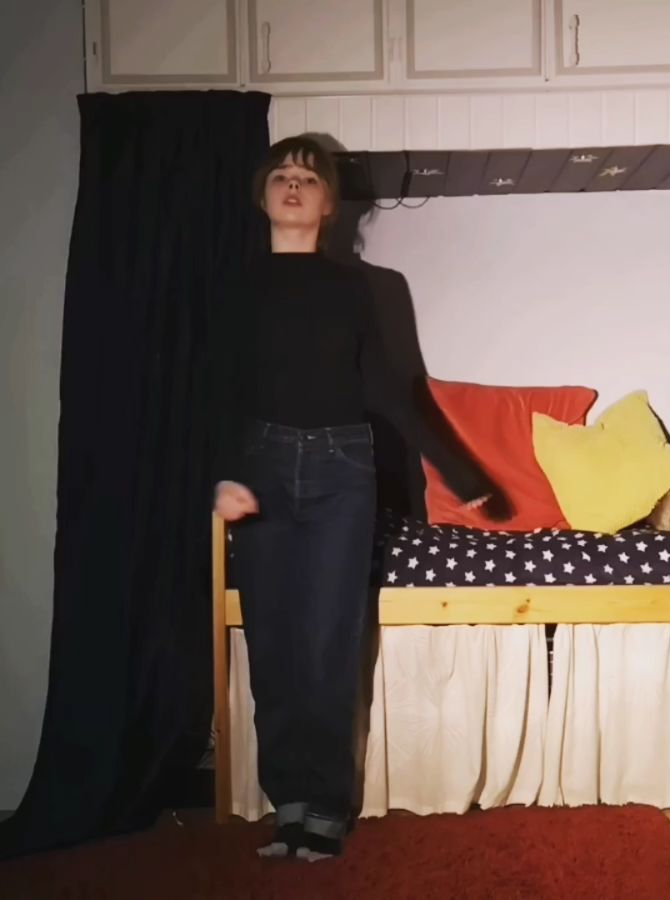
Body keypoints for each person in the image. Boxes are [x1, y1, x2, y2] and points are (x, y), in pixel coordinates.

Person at [212, 135, 511, 862]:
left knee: (328, 646)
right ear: (262, 195)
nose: (293, 185)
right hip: (263, 471)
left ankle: (327, 809)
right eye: (281, 175)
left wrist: (462, 474)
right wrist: (223, 473)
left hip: (343, 470)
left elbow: (387, 389)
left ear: (328, 204)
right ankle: (289, 804)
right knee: (274, 647)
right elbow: (216, 386)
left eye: (308, 178)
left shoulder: (359, 288)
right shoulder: (234, 284)